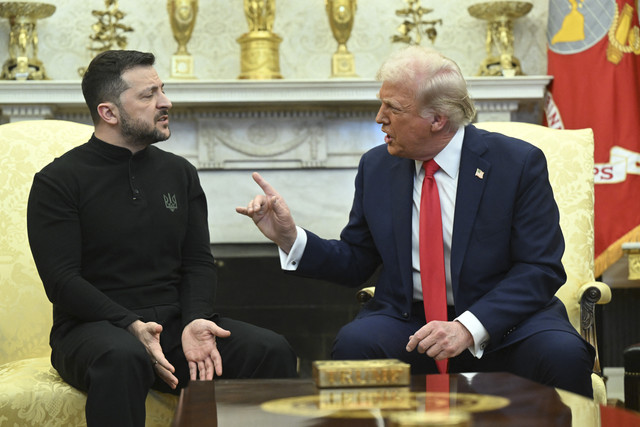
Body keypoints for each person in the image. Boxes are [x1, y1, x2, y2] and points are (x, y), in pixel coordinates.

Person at [236, 46, 595, 398]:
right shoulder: (377, 167)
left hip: (506, 320)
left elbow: (539, 268)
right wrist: (289, 238)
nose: (379, 118)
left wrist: (468, 328)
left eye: (392, 108)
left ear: (437, 119)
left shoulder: (517, 163)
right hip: (410, 319)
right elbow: (356, 260)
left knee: (561, 354)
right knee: (355, 343)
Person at [27, 50, 297, 427]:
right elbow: (62, 280)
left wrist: (196, 320)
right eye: (148, 94)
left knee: (270, 349)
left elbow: (198, 262)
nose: (165, 102)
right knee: (123, 356)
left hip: (174, 326)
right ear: (109, 112)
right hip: (94, 330)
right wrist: (129, 324)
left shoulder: (180, 173)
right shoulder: (57, 181)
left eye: (162, 90)